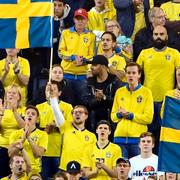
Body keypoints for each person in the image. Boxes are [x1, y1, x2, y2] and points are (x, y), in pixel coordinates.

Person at [136, 25, 180, 154]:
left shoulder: (175, 53)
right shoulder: (145, 53)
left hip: (168, 101)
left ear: (167, 36)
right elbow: (135, 72)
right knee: (148, 134)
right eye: (156, 34)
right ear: (152, 36)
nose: (159, 37)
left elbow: (179, 74)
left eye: (161, 34)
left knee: (165, 133)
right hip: (148, 100)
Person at [111, 62, 154, 158]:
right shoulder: (119, 92)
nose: (131, 75)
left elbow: (148, 118)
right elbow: (113, 117)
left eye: (134, 73)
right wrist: (119, 115)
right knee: (121, 170)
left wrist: (131, 116)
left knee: (138, 171)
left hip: (137, 140)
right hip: (119, 139)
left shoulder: (146, 92)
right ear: (125, 74)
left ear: (139, 75)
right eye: (128, 73)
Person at [37, 80, 73, 180]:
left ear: (60, 93)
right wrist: (45, 130)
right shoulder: (39, 107)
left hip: (60, 152)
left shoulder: (67, 107)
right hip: (44, 151)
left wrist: (56, 128)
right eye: (48, 89)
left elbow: (69, 128)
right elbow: (34, 130)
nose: (50, 91)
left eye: (53, 89)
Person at [58, 8, 95, 106]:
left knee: (84, 105)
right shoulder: (65, 33)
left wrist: (84, 60)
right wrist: (73, 57)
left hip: (83, 76)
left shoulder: (91, 36)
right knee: (67, 104)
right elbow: (60, 52)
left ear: (87, 20)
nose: (80, 21)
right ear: (74, 20)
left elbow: (92, 55)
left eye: (82, 19)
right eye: (78, 19)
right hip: (67, 74)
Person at [86, 55, 124, 133]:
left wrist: (104, 97)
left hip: (111, 123)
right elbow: (86, 103)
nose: (91, 67)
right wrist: (96, 99)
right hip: (93, 123)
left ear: (103, 67)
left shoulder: (115, 82)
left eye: (94, 65)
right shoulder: (89, 82)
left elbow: (119, 103)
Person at [8, 105, 48, 173]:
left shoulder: (43, 134)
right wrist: (23, 140)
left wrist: (29, 138)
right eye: (28, 113)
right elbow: (11, 154)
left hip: (34, 171)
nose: (30, 115)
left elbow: (38, 154)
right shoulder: (14, 133)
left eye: (33, 114)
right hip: (18, 169)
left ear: (37, 119)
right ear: (24, 116)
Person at [56, 105, 96, 171]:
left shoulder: (92, 136)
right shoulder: (66, 126)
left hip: (82, 170)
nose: (77, 114)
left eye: (80, 112)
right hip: (65, 169)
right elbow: (56, 113)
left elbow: (93, 155)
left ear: (86, 116)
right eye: (75, 112)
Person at [0, 84, 25, 178]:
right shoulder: (2, 110)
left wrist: (14, 111)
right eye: (9, 93)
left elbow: (24, 127)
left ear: (19, 96)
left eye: (14, 93)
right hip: (2, 147)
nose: (11, 95)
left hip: (16, 149)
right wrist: (1, 113)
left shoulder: (24, 110)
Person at [53, 0, 72, 64]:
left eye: (59, 5)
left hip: (67, 48)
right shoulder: (48, 16)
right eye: (54, 5)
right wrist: (55, 20)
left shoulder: (72, 16)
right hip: (53, 49)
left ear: (64, 6)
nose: (56, 8)